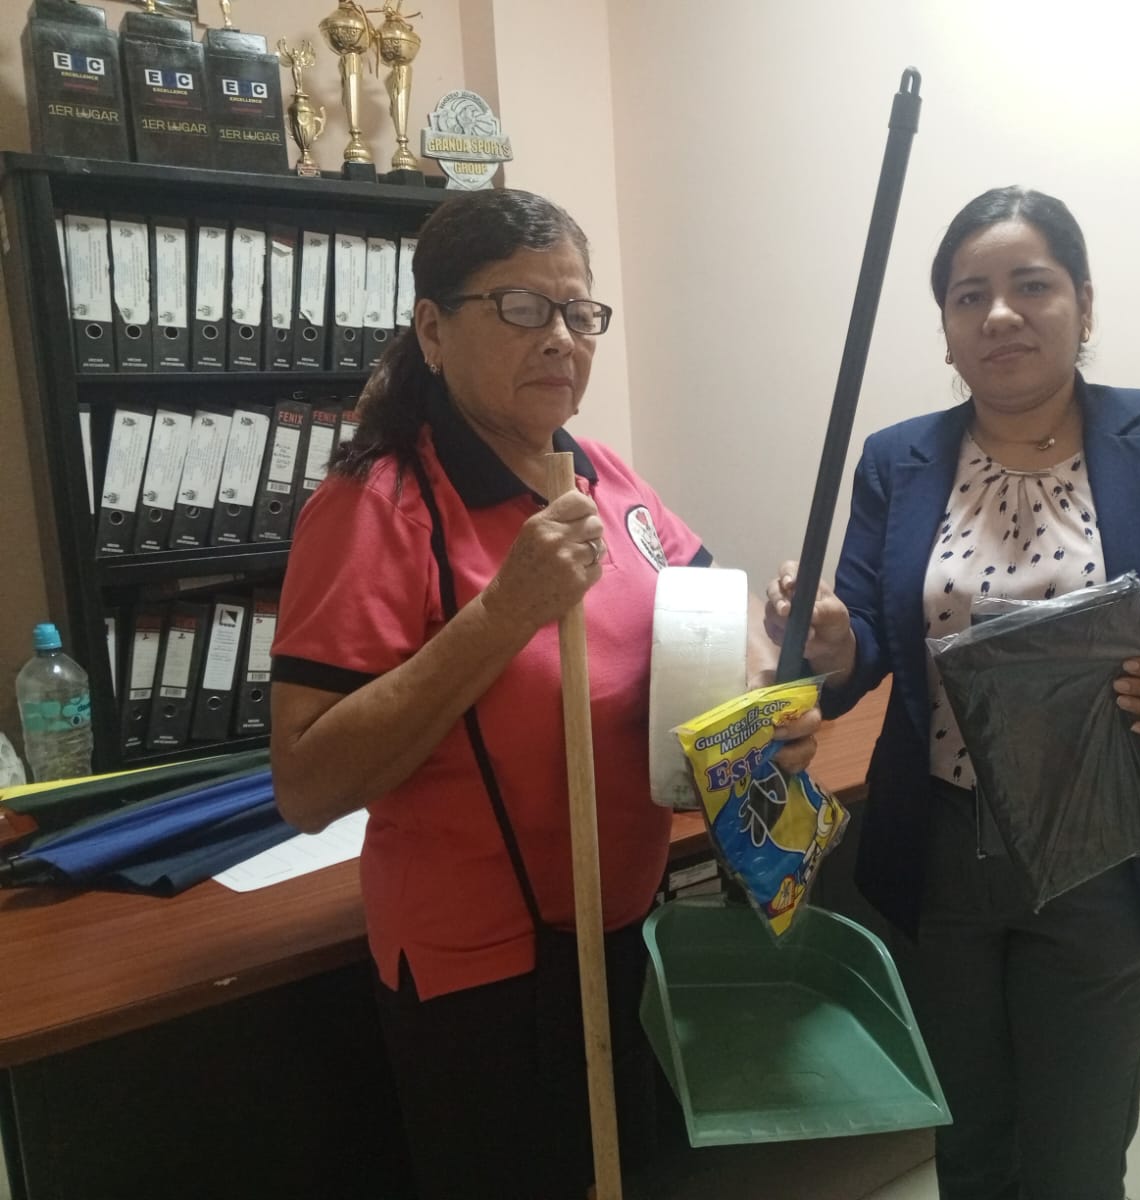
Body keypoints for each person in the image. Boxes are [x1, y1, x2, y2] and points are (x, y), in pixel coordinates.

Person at [269, 188, 818, 1200]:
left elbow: (712, 600)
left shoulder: (597, 474)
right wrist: (502, 613)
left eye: (578, 311)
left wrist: (772, 673)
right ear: (433, 330)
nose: (560, 337)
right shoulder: (376, 505)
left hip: (623, 928)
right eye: (520, 308)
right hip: (478, 972)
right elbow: (305, 784)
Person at [766, 186, 1140, 1200]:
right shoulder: (897, 458)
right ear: (945, 326)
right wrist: (834, 645)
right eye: (969, 295)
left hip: (1107, 848)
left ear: (1084, 304)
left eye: (1031, 286)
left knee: (1075, 1155)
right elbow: (869, 639)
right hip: (938, 846)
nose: (1000, 315)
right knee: (969, 1142)